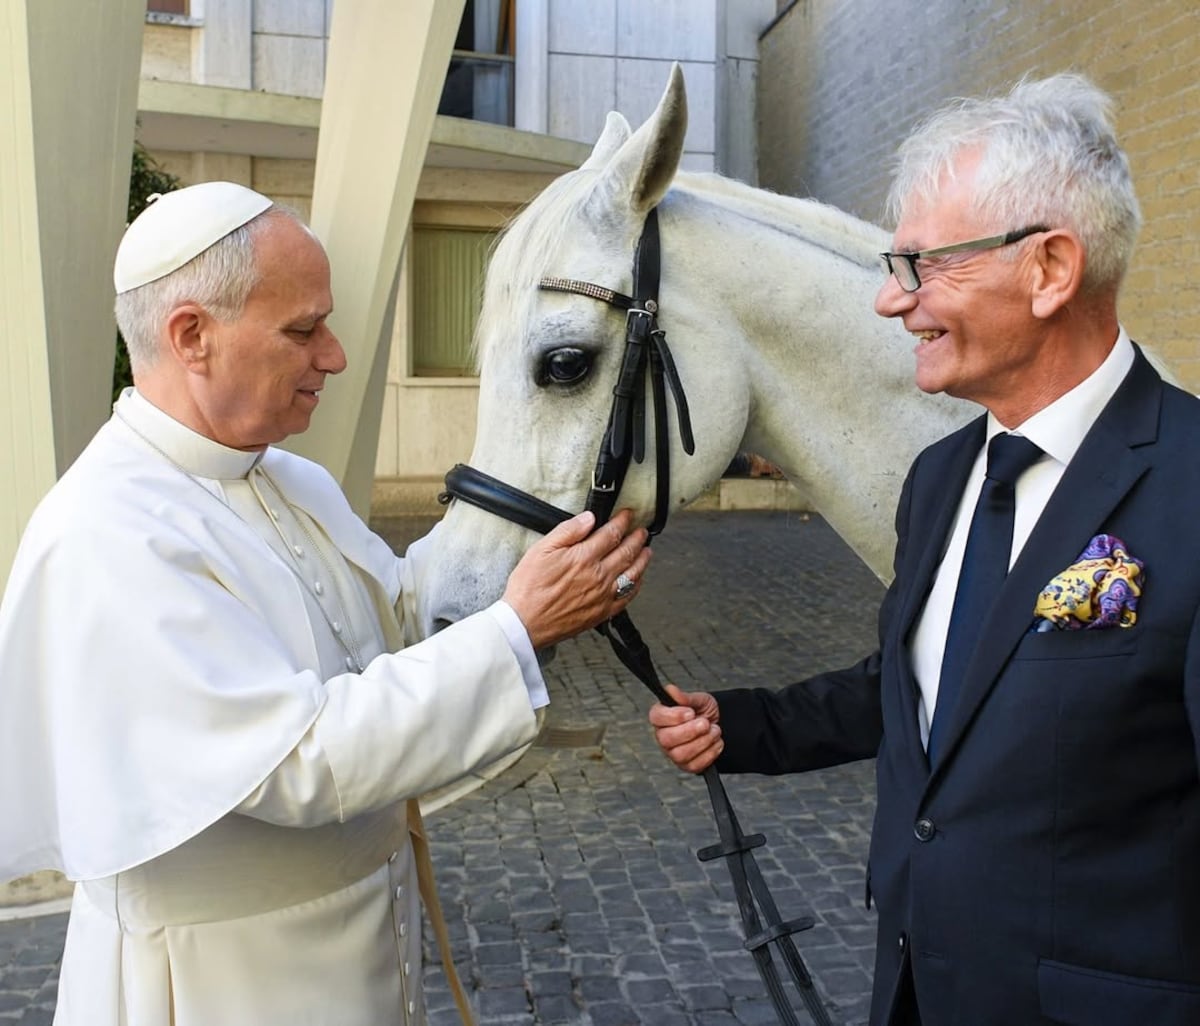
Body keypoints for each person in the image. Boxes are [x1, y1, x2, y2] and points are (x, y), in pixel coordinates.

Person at [0, 181, 652, 1026]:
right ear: (191, 335)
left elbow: (399, 626)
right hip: (222, 986)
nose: (336, 355)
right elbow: (294, 760)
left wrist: (543, 575)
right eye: (303, 329)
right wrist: (518, 628)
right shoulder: (107, 532)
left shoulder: (289, 479)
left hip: (366, 944)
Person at [650, 73, 1200, 1026]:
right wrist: (744, 726)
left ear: (1049, 270)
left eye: (921, 266)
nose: (889, 303)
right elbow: (928, 687)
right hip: (915, 987)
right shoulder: (941, 477)